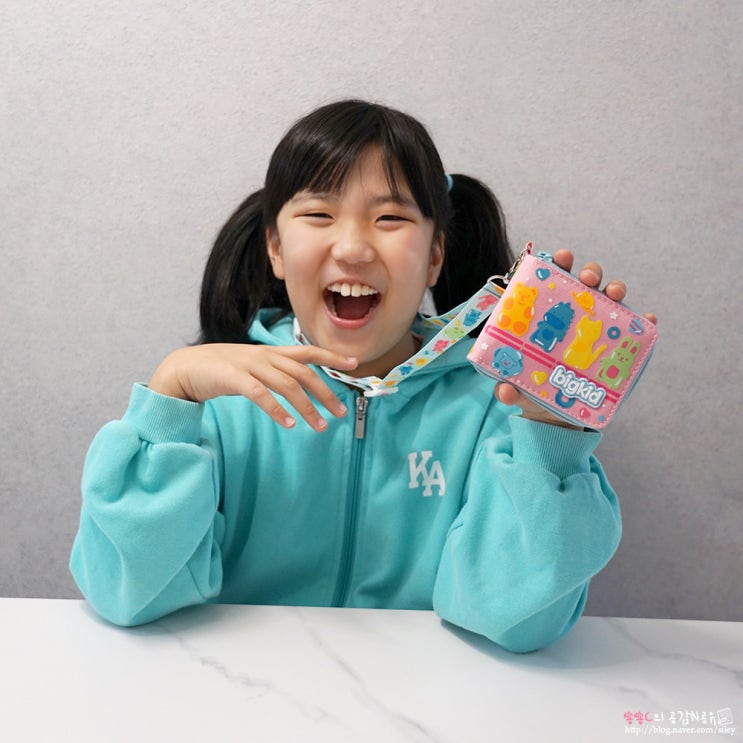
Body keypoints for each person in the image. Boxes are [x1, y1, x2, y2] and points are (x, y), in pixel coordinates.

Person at [70, 99, 651, 653]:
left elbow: (515, 623)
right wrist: (169, 398)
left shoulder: (489, 410)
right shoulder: (219, 405)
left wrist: (549, 439)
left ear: (435, 256)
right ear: (275, 248)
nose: (351, 248)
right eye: (318, 215)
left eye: (390, 218)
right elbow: (129, 593)